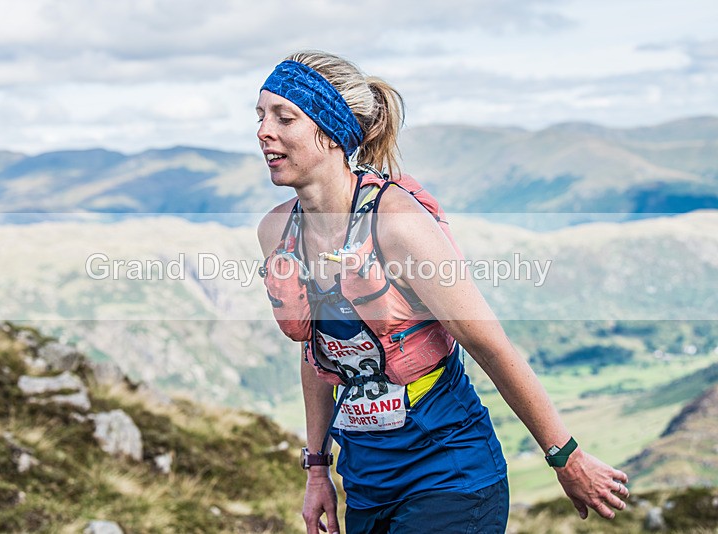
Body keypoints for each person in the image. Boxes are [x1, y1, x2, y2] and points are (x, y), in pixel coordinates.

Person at [255, 50, 629, 534]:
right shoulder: (276, 231)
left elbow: (487, 343)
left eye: (284, 117)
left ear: (330, 131)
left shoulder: (398, 224)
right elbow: (318, 352)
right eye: (260, 116)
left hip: (450, 471)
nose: (264, 131)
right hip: (366, 479)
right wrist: (318, 467)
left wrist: (565, 456)